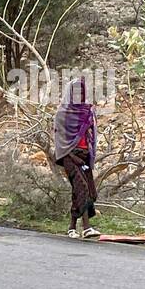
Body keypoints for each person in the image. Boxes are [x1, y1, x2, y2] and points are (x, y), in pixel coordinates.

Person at [52, 79, 100, 239]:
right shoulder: (62, 113)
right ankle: (87, 228)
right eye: (76, 91)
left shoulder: (87, 112)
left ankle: (72, 227)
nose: (79, 95)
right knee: (82, 188)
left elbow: (90, 135)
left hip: (85, 156)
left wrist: (88, 156)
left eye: (82, 91)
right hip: (70, 157)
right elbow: (59, 140)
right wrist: (72, 156)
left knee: (83, 191)